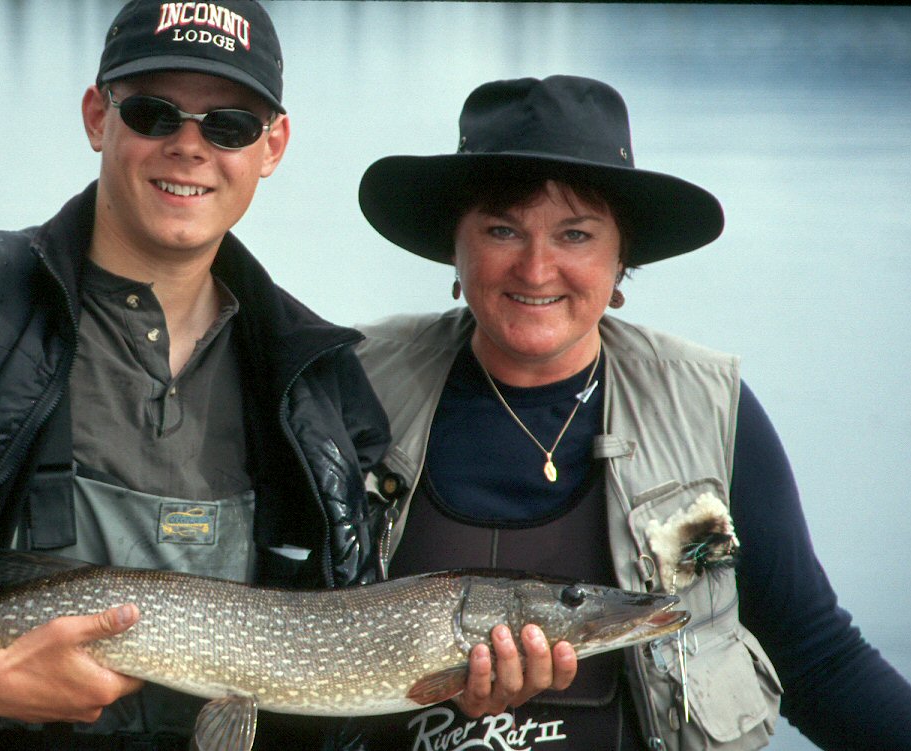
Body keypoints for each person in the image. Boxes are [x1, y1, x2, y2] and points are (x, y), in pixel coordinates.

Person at [0, 2, 397, 749]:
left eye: (228, 124)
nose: (189, 147)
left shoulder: (316, 379)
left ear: (272, 146)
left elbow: (346, 645)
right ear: (98, 117)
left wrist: (454, 689)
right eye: (153, 113)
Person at [354, 75, 911, 750]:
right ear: (455, 244)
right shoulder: (349, 385)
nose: (535, 268)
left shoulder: (708, 409)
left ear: (621, 258)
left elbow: (817, 657)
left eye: (575, 234)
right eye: (502, 229)